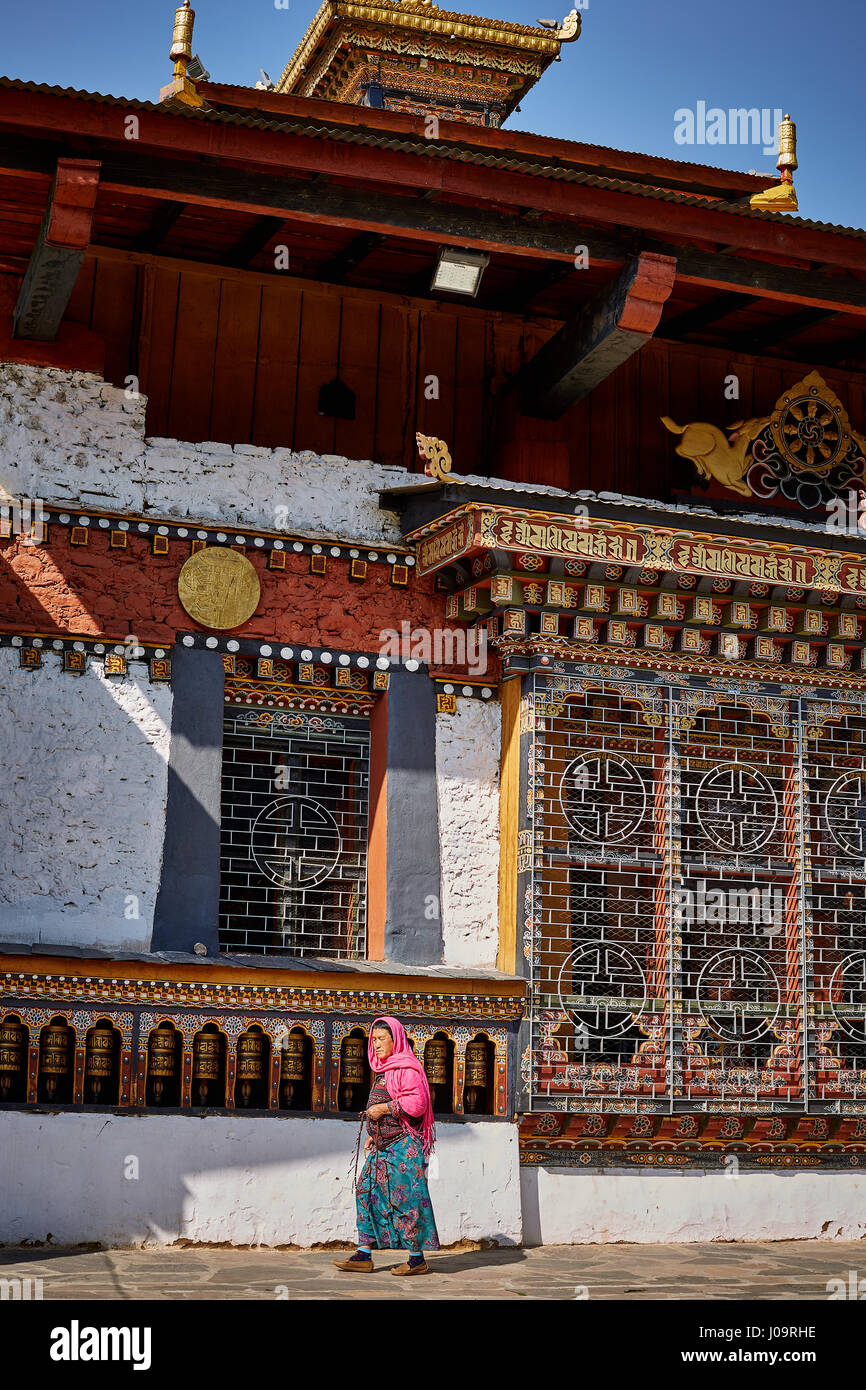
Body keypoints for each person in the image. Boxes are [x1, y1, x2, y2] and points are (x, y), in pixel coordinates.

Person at [334, 1015, 440, 1275]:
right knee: (366, 1193)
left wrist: (382, 1109)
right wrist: (375, 1133)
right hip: (382, 1146)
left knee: (406, 1201)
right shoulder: (386, 1070)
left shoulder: (407, 1068)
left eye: (382, 1039)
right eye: (374, 1040)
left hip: (403, 1148)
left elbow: (417, 1105)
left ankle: (417, 1259)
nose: (377, 1044)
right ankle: (363, 1254)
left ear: (396, 1040)